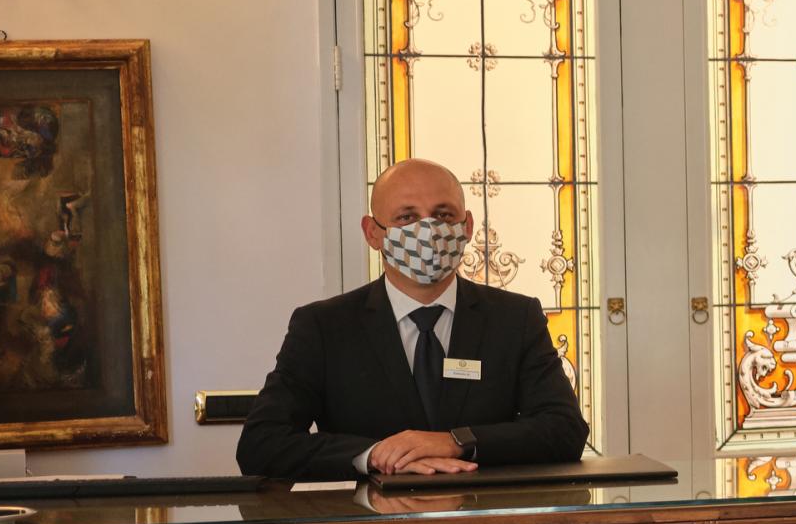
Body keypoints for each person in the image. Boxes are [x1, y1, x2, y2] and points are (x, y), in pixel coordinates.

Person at [238, 158, 589, 481]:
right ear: (372, 233)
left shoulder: (515, 318)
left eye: (444, 215)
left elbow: (563, 429)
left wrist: (456, 441)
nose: (430, 231)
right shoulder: (323, 327)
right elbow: (261, 444)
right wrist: (374, 455)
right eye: (406, 217)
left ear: (466, 226)